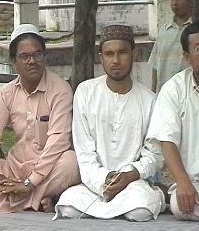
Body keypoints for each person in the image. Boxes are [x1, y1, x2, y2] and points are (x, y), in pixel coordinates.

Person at [0, 24, 80, 213]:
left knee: (71, 162)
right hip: (13, 169)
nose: (32, 61)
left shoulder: (60, 90)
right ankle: (37, 201)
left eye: (37, 54)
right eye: (25, 57)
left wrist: (30, 183)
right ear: (13, 62)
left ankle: (0, 199)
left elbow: (58, 141)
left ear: (44, 57)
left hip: (47, 169)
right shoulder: (7, 93)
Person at [54, 24, 165, 221]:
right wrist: (104, 178)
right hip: (96, 184)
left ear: (134, 54)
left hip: (132, 184)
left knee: (140, 209)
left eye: (122, 52)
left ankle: (140, 199)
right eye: (109, 54)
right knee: (68, 205)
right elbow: (84, 151)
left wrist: (129, 175)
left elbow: (154, 154)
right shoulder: (85, 92)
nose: (116, 60)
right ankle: (114, 207)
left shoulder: (149, 100)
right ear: (101, 57)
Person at [147, 21, 199, 221]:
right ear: (186, 57)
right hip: (195, 184)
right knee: (180, 204)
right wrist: (183, 181)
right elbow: (167, 141)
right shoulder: (174, 89)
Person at [149, 0, 192, 93]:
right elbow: (155, 66)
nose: (174, 3)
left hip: (189, 96)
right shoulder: (164, 31)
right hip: (164, 97)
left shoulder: (196, 31)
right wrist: (154, 94)